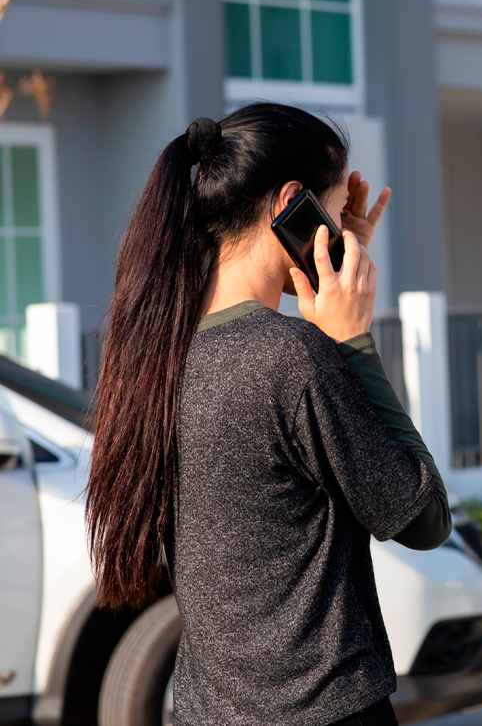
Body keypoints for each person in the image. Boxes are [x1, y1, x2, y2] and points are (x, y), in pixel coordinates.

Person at [86, 103, 450, 726]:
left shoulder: (158, 356)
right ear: (290, 204)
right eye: (333, 215)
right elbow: (422, 517)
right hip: (324, 709)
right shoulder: (293, 357)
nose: (339, 235)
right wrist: (353, 341)